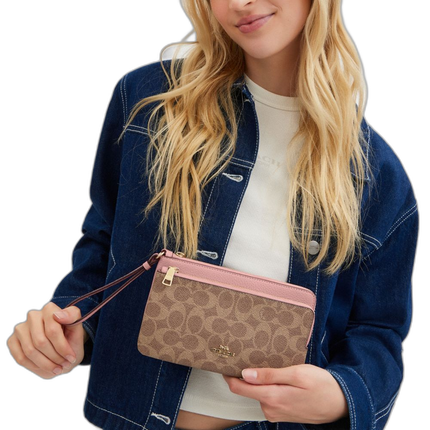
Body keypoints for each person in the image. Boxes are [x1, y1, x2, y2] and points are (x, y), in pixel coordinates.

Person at [5, 1, 419, 429]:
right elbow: (104, 245)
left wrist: (340, 396)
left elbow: (379, 331)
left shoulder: (377, 176)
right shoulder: (148, 99)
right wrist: (68, 325)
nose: (239, 3)